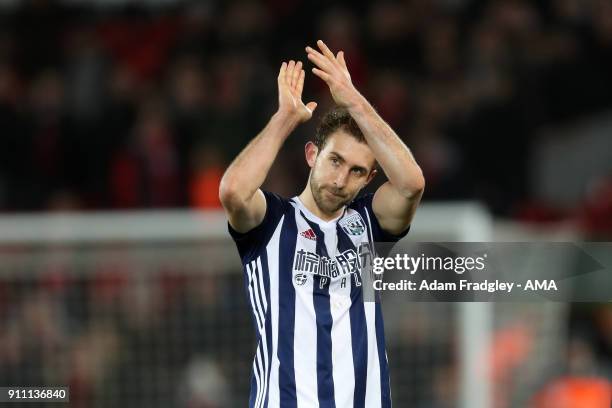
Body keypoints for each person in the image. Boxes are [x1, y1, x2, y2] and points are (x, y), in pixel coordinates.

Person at [219, 40, 425, 408]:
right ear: (312, 155)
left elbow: (411, 184)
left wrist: (353, 101)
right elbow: (233, 192)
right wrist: (284, 120)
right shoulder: (272, 223)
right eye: (335, 161)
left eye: (357, 170)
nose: (341, 178)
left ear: (368, 179)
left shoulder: (368, 224)